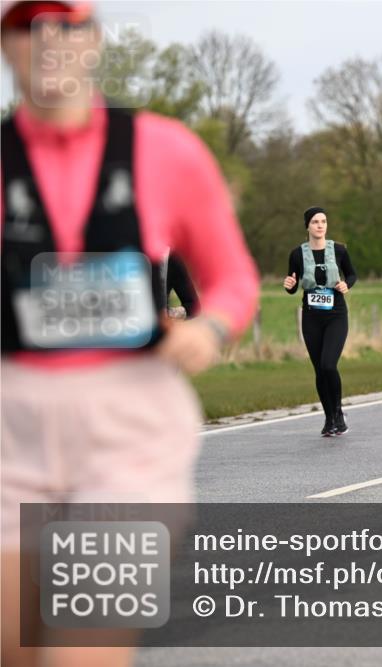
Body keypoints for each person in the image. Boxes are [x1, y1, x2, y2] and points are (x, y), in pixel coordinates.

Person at [0, 3, 260, 666]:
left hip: (129, 427)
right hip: (11, 427)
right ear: (7, 46)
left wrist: (209, 327)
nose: (49, 41)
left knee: (80, 654)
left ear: (95, 42)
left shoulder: (165, 150)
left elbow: (232, 276)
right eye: (29, 27)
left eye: (67, 25)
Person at [284, 206, 356, 436]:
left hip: (336, 315)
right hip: (311, 316)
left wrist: (347, 284)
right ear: (307, 226)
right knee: (319, 370)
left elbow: (352, 274)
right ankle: (329, 419)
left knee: (328, 365)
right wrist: (289, 286)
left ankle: (338, 414)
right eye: (315, 222)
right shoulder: (297, 254)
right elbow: (293, 285)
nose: (320, 225)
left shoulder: (340, 250)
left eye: (323, 221)